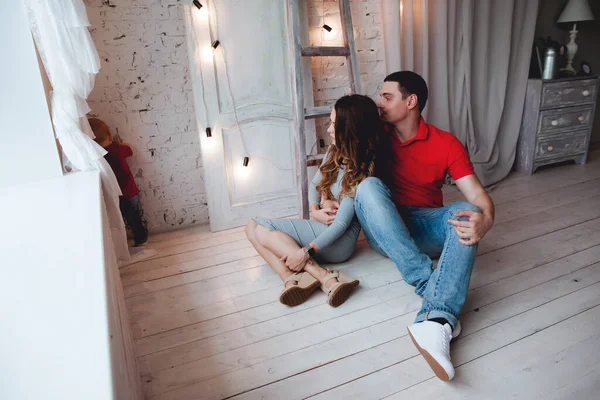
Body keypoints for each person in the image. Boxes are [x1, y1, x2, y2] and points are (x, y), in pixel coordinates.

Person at [351, 71, 495, 381]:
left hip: (426, 225)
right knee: (368, 188)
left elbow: (478, 196)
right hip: (385, 229)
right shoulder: (375, 133)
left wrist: (486, 220)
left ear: (411, 101)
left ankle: (434, 321)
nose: (380, 103)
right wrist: (320, 205)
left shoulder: (446, 143)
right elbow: (335, 160)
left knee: (468, 211)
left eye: (387, 97)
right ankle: (431, 290)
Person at [245, 95, 383, 307]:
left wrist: (305, 252)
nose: (328, 129)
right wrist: (315, 208)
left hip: (339, 241)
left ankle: (321, 275)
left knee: (260, 228)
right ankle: (294, 279)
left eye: (334, 124)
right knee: (250, 227)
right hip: (322, 228)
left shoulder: (362, 172)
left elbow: (341, 225)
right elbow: (314, 186)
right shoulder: (335, 151)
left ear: (351, 128)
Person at [89, 118, 149, 247]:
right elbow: (131, 149)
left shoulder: (96, 158)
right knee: (135, 218)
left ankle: (121, 241)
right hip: (130, 192)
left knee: (119, 219)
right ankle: (141, 239)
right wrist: (120, 143)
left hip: (114, 195)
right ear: (110, 136)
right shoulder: (117, 149)